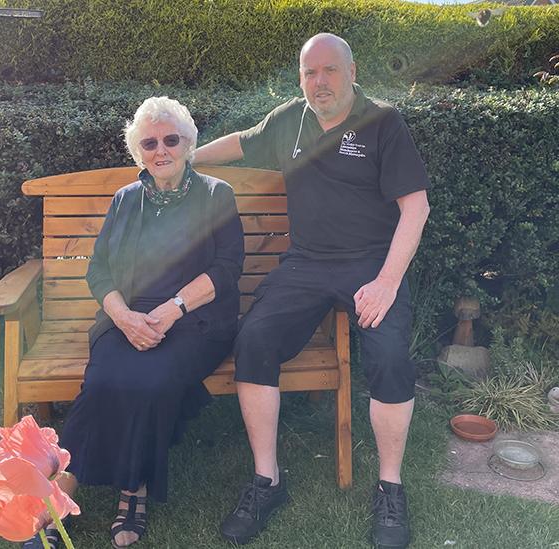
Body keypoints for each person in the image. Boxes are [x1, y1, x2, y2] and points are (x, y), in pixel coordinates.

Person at [194, 33, 431, 548]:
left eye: (328, 70)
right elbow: (241, 141)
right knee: (254, 340)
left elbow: (416, 207)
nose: (318, 81)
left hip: (369, 265)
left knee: (389, 354)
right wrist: (183, 159)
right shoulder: (289, 119)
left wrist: (388, 282)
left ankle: (390, 487)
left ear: (351, 71)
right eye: (309, 72)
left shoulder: (383, 122)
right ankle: (267, 481)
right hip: (305, 264)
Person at [24, 96, 245, 548]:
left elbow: (227, 269)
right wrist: (124, 317)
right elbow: (98, 271)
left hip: (195, 319)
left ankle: (132, 491)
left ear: (188, 143)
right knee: (103, 383)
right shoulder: (126, 200)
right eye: (149, 143)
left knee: (149, 381)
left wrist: (170, 310)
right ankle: (62, 492)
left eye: (170, 139)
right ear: (138, 151)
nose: (160, 150)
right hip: (127, 317)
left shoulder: (215, 195)